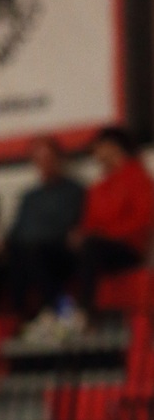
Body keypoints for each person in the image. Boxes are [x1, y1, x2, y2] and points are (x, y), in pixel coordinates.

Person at [71, 126, 154, 313]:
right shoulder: (99, 187)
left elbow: (142, 222)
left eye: (99, 147)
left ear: (113, 146)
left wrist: (104, 234)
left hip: (128, 249)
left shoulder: (139, 178)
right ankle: (58, 313)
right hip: (99, 247)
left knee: (91, 247)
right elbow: (89, 222)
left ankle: (85, 312)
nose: (96, 154)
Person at [3, 137, 84, 320]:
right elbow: (16, 229)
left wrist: (30, 238)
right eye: (39, 159)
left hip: (59, 252)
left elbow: (66, 227)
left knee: (32, 253)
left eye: (48, 158)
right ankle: (18, 320)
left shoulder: (73, 191)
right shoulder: (30, 196)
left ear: (59, 159)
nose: (44, 163)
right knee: (14, 254)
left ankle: (60, 311)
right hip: (27, 251)